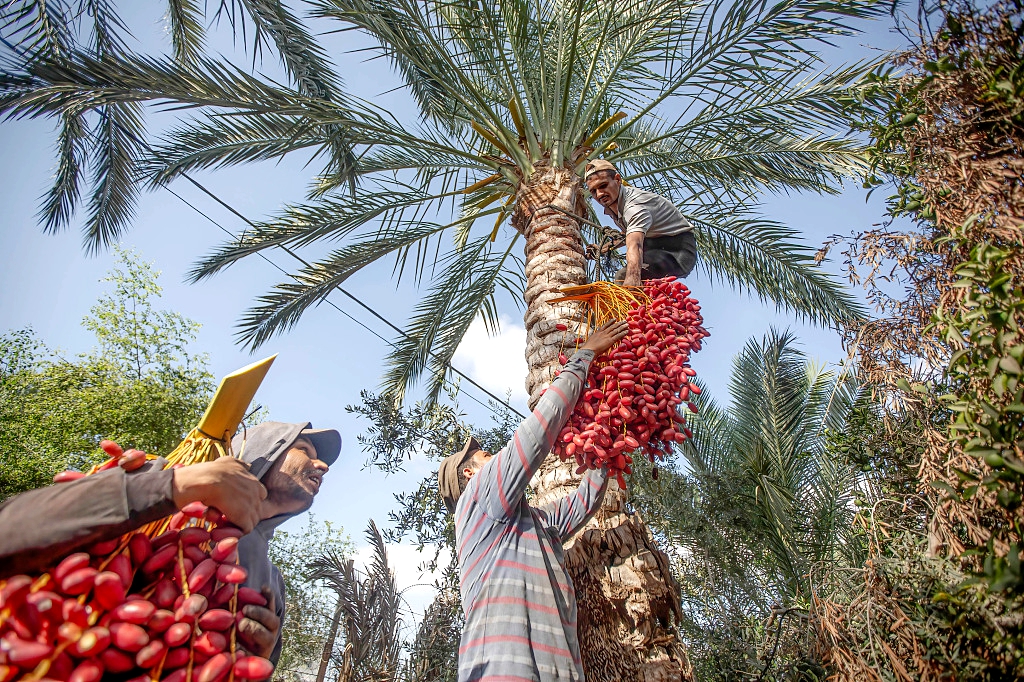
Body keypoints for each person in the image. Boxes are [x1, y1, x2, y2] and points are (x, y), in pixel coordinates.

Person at [0, 420, 340, 666]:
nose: (322, 466)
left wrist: (260, 664)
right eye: (304, 449)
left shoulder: (272, 586)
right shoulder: (161, 480)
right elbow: (10, 529)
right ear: (266, 450)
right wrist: (177, 486)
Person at [437, 321, 630, 682]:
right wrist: (583, 356)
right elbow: (538, 432)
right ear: (468, 475)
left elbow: (582, 503)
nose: (489, 455)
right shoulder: (479, 497)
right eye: (480, 456)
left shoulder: (532, 523)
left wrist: (608, 439)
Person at [583, 159, 697, 287]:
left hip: (677, 251)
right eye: (593, 191)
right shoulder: (615, 205)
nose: (599, 194)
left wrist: (633, 279)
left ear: (617, 179)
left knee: (623, 277)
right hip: (654, 246)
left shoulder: (634, 207)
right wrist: (604, 248)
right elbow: (629, 235)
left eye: (603, 186)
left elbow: (635, 244)